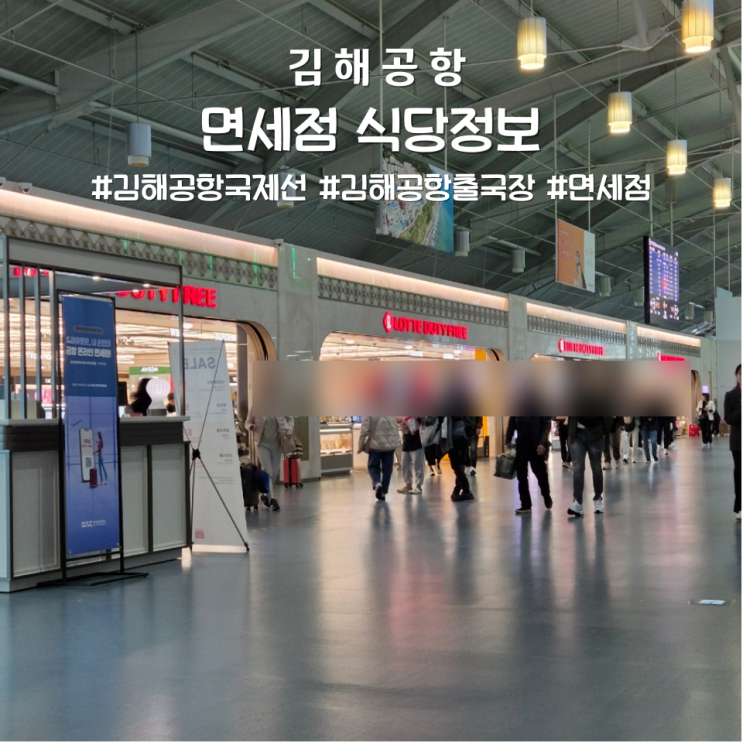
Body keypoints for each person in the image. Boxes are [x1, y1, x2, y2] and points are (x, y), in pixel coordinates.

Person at [561, 416, 612, 517]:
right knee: (578, 469)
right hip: (576, 434)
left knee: (596, 468)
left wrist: (603, 431)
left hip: (595, 434)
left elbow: (608, 418)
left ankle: (597, 498)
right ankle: (577, 502)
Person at [246, 414, 295, 511]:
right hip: (261, 443)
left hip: (277, 443)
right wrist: (250, 426)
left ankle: (264, 493)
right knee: (267, 470)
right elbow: (247, 422)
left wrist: (289, 429)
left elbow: (290, 419)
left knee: (275, 471)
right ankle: (271, 498)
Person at [505, 416, 552, 514]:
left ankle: (546, 494)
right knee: (521, 476)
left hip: (536, 445)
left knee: (540, 474)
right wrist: (508, 438)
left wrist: (543, 443)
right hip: (521, 444)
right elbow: (512, 422)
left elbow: (546, 426)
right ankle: (525, 504)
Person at [357, 416, 400, 502]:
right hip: (389, 446)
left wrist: (360, 445)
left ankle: (377, 483)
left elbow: (364, 430)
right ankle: (383, 492)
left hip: (375, 446)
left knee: (373, 466)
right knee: (387, 470)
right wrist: (396, 442)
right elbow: (395, 427)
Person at [441, 416, 474, 502]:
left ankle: (466, 491)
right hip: (464, 437)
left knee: (457, 465)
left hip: (454, 438)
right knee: (460, 465)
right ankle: (457, 491)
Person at [723, 364, 741, 520]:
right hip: (738, 441)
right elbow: (728, 418)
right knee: (739, 473)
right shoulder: (730, 395)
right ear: (736, 376)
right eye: (740, 373)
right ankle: (739, 507)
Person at [398, 417, 424, 495]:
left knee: (417, 464)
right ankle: (408, 485)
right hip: (406, 441)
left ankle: (419, 486)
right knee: (405, 464)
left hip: (416, 441)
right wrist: (402, 419)